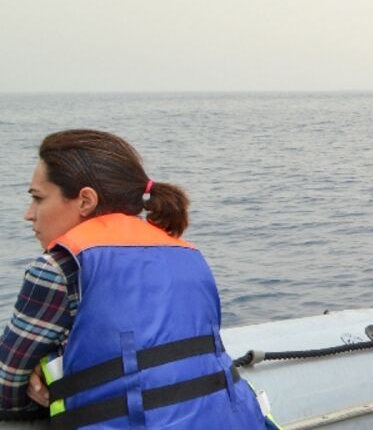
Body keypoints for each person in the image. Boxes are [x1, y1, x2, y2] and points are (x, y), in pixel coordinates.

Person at [0, 129, 276, 428]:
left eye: (38, 198)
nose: (29, 214)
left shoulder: (61, 266)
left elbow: (6, 385)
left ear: (85, 200)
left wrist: (42, 376)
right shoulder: (189, 256)